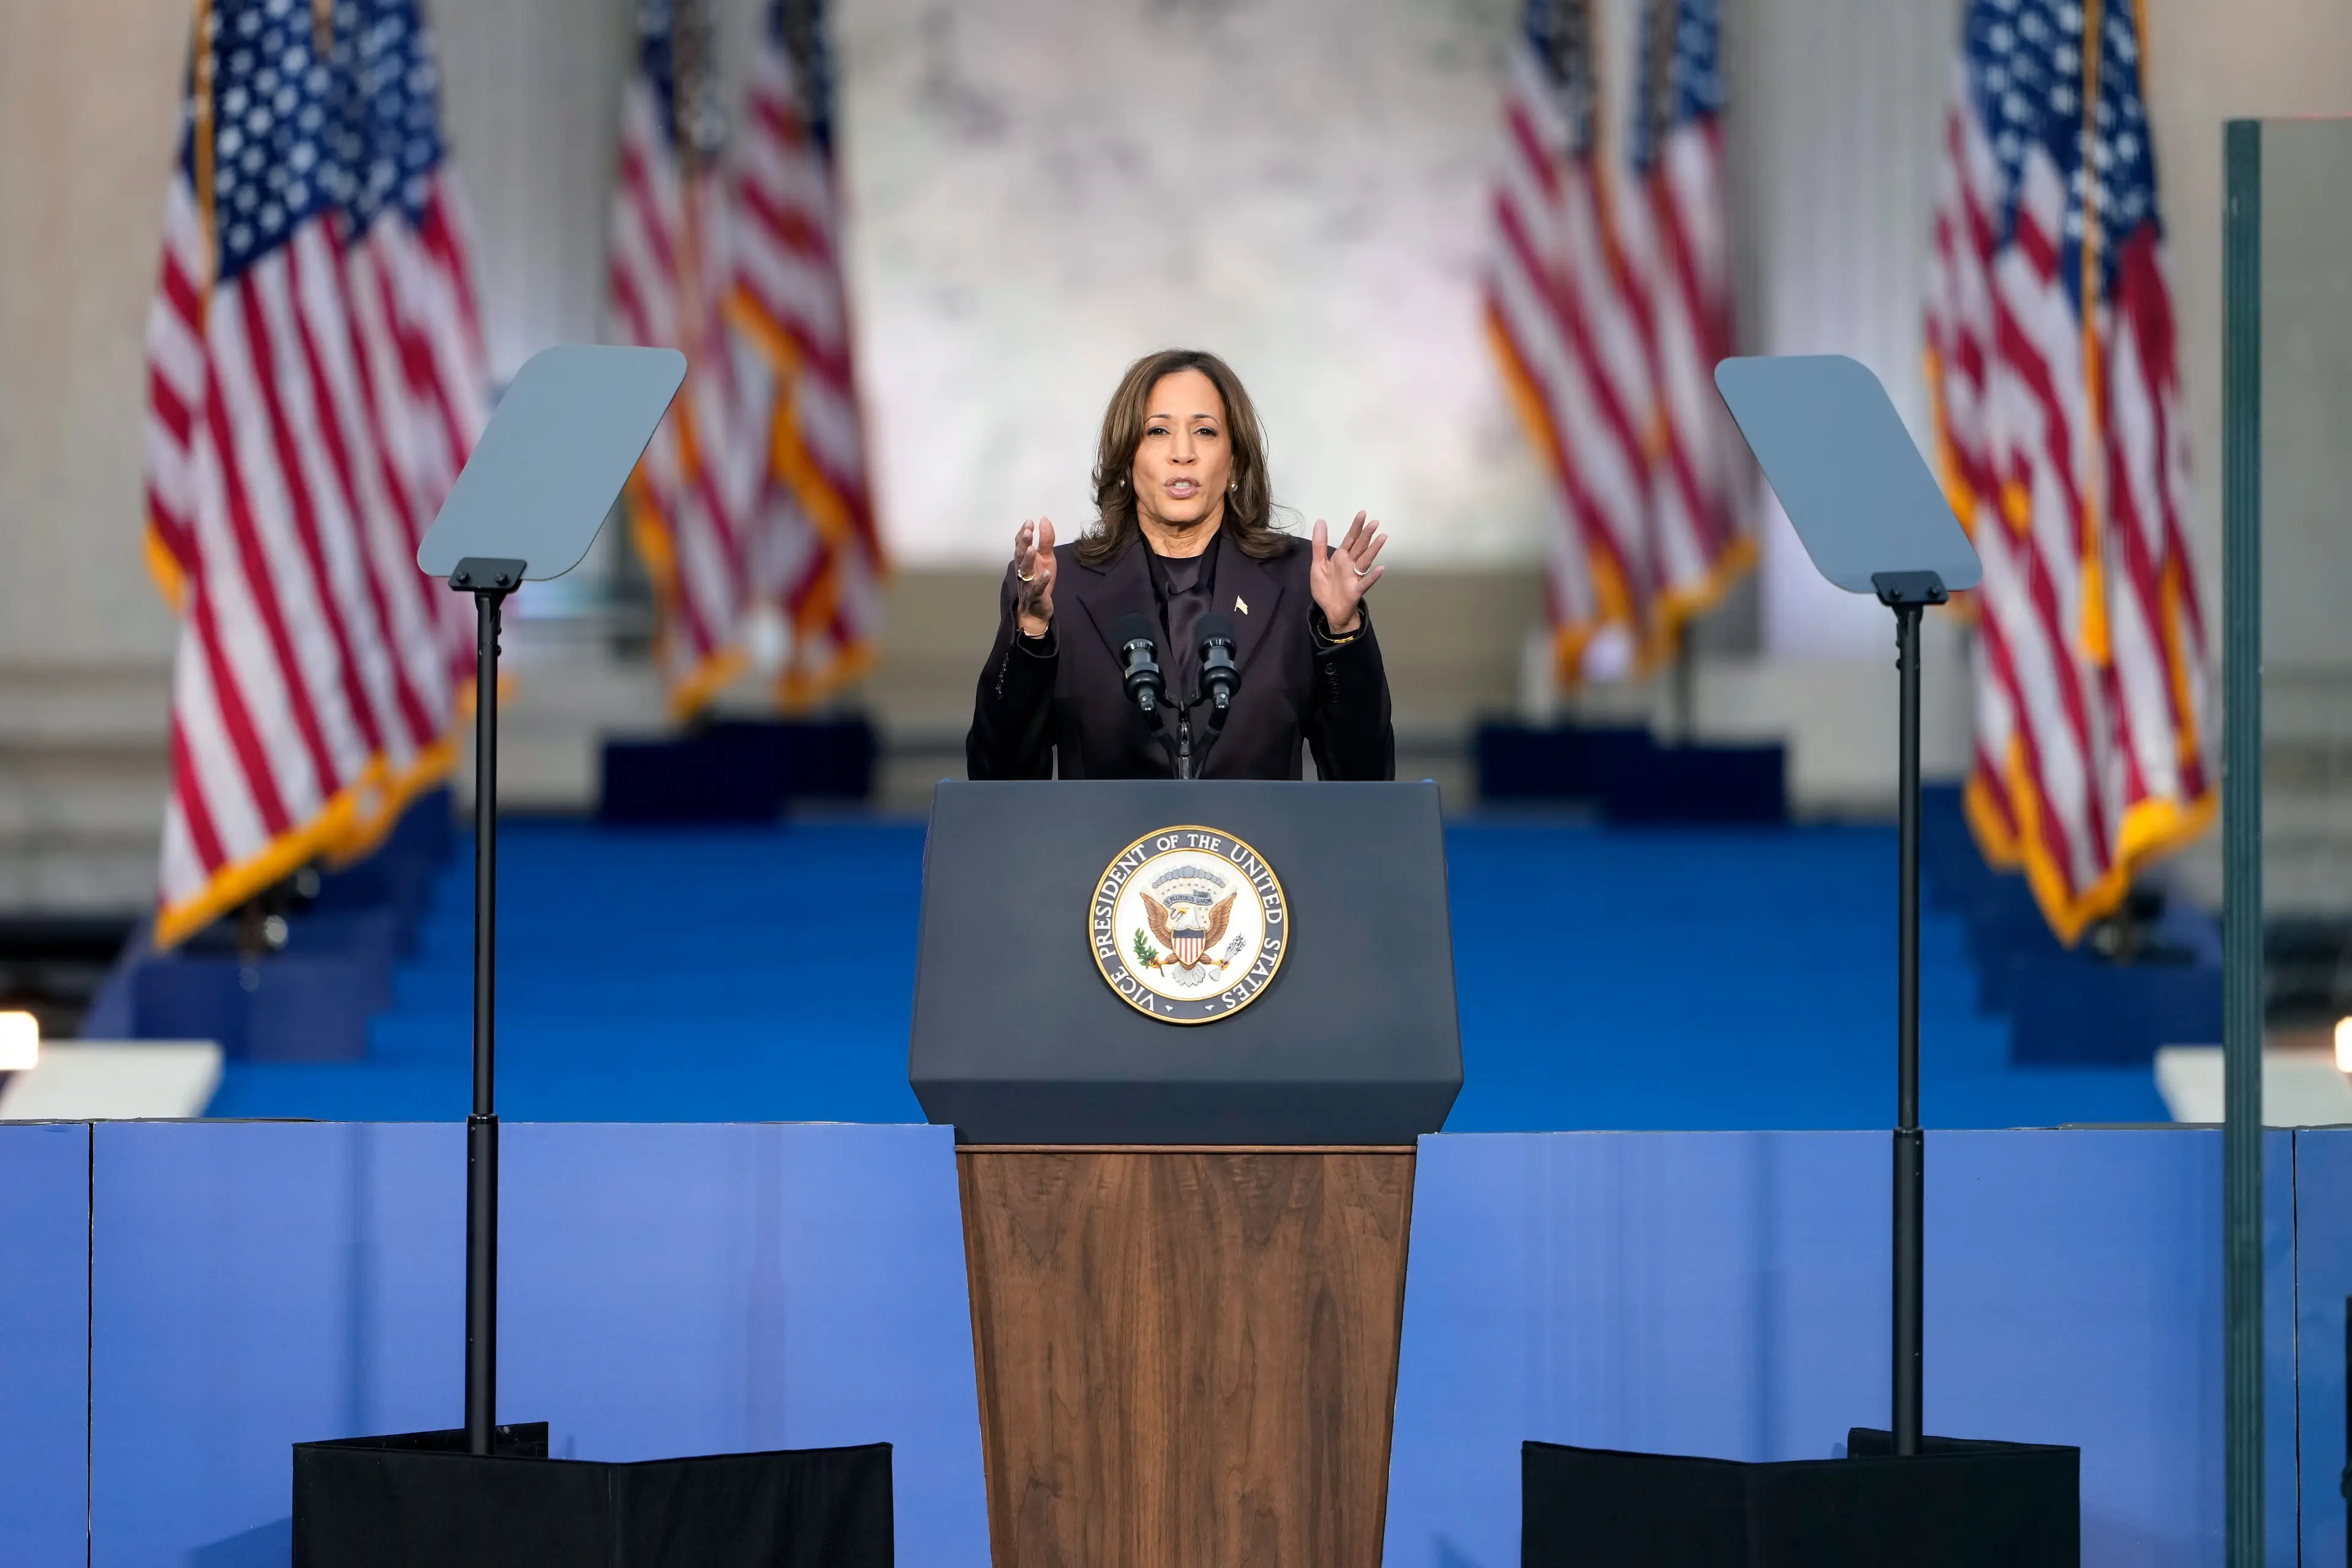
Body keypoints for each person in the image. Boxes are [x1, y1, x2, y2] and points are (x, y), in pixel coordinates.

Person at [966, 349, 1395, 780]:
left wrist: (1342, 635)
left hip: (1260, 847)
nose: (1182, 452)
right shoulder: (1061, 587)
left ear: (1235, 461)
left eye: (1205, 431)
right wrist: (1033, 635)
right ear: (1126, 457)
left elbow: (1365, 782)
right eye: (1158, 431)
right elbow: (997, 778)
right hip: (1104, 848)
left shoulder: (1303, 581)